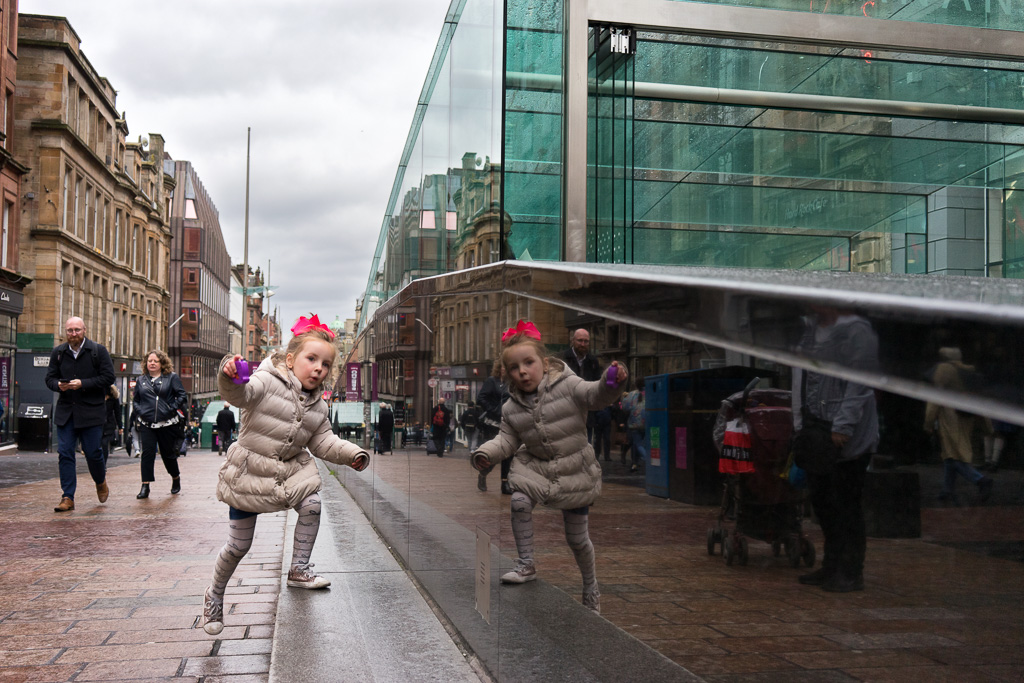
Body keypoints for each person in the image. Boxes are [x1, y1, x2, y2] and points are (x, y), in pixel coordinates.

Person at [203, 314, 370, 635]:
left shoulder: (318, 406)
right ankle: (215, 594)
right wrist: (229, 375)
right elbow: (239, 395)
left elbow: (323, 441)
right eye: (311, 359)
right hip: (250, 471)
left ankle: (299, 569)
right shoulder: (266, 380)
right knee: (238, 546)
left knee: (312, 503)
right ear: (291, 360)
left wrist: (352, 454)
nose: (318, 368)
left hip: (289, 469)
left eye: (325, 363)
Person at [471, 320, 628, 614]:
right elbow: (506, 440)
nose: (523, 371)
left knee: (578, 540)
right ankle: (526, 563)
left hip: (574, 468)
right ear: (508, 373)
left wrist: (611, 381)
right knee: (518, 500)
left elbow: (595, 396)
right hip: (538, 468)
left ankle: (590, 587)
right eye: (515, 367)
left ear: (544, 363)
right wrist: (485, 453)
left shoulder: (568, 384)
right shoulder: (510, 407)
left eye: (529, 363)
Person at [793, 306, 879, 593]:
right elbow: (799, 376)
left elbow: (860, 382)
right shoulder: (808, 330)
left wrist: (843, 425)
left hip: (847, 437)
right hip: (816, 430)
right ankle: (832, 565)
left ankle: (852, 572)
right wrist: (799, 421)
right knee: (824, 503)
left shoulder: (856, 330)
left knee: (847, 505)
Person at [45, 316, 116, 512]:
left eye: (77, 330)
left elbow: (109, 377)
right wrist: (58, 385)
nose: (73, 334)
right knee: (65, 453)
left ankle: (100, 481)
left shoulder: (97, 351)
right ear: (65, 332)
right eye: (70, 330)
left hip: (91, 411)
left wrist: (83, 383)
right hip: (67, 411)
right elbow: (49, 378)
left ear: (84, 330)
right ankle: (68, 497)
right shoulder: (58, 352)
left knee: (93, 453)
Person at [924, 347, 994, 504]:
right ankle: (947, 490)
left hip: (949, 418)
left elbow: (935, 398)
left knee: (953, 455)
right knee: (951, 454)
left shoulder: (943, 370)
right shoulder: (967, 372)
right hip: (965, 417)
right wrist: (987, 425)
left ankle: (981, 480)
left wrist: (928, 423)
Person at [133, 349, 188, 499]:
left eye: (155, 361)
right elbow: (136, 400)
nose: (152, 363)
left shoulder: (171, 378)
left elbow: (182, 395)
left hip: (167, 424)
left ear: (162, 363)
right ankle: (145, 485)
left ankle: (175, 478)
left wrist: (172, 408)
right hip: (147, 423)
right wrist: (140, 411)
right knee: (147, 454)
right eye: (149, 361)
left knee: (168, 455)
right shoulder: (141, 380)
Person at [561, 328, 602, 443]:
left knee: (586, 445)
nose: (583, 344)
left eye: (586, 341)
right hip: (567, 412)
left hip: (587, 414)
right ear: (573, 341)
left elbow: (597, 385)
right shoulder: (563, 358)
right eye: (580, 341)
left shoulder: (593, 361)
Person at [476, 359, 510, 493]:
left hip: (508, 422)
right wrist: (494, 410)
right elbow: (481, 398)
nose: (505, 370)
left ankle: (505, 483)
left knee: (508, 454)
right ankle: (483, 474)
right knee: (493, 455)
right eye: (503, 367)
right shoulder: (492, 381)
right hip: (493, 423)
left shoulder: (512, 382)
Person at [620, 378, 647, 473]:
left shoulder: (632, 394)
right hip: (648, 423)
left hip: (634, 423)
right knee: (643, 443)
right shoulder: (651, 393)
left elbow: (624, 406)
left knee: (638, 444)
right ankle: (636, 463)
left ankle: (645, 460)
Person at [101, 385, 122, 465]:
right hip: (97, 423)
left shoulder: (113, 399)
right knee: (97, 446)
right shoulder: (97, 396)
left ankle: (103, 465)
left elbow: (118, 412)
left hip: (108, 425)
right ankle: (98, 465)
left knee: (104, 444)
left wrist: (120, 426)